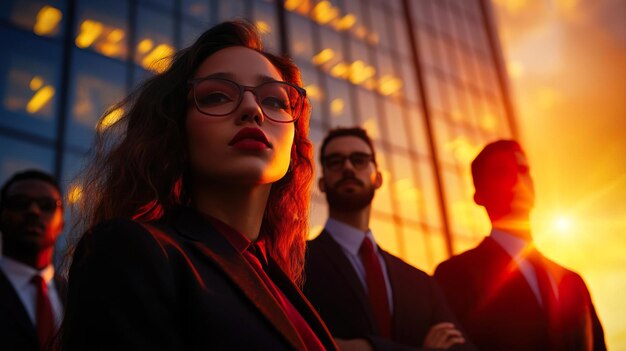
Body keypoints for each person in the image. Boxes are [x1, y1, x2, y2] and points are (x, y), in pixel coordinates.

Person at [59, 21, 336, 350]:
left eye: (274, 101)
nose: (252, 110)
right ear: (176, 129)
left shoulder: (276, 277)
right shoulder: (132, 250)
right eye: (217, 96)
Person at [304, 127, 473, 351]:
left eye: (359, 160)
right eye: (335, 162)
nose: (347, 167)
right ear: (322, 183)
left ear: (379, 178)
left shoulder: (421, 283)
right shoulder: (296, 263)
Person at [434, 140, 607, 351]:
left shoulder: (573, 282)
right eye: (502, 172)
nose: (518, 179)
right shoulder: (455, 275)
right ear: (479, 197)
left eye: (523, 169)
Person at [0, 169, 65, 351]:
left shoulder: (76, 295)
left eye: (47, 205)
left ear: (62, 223)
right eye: (19, 203)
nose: (33, 211)